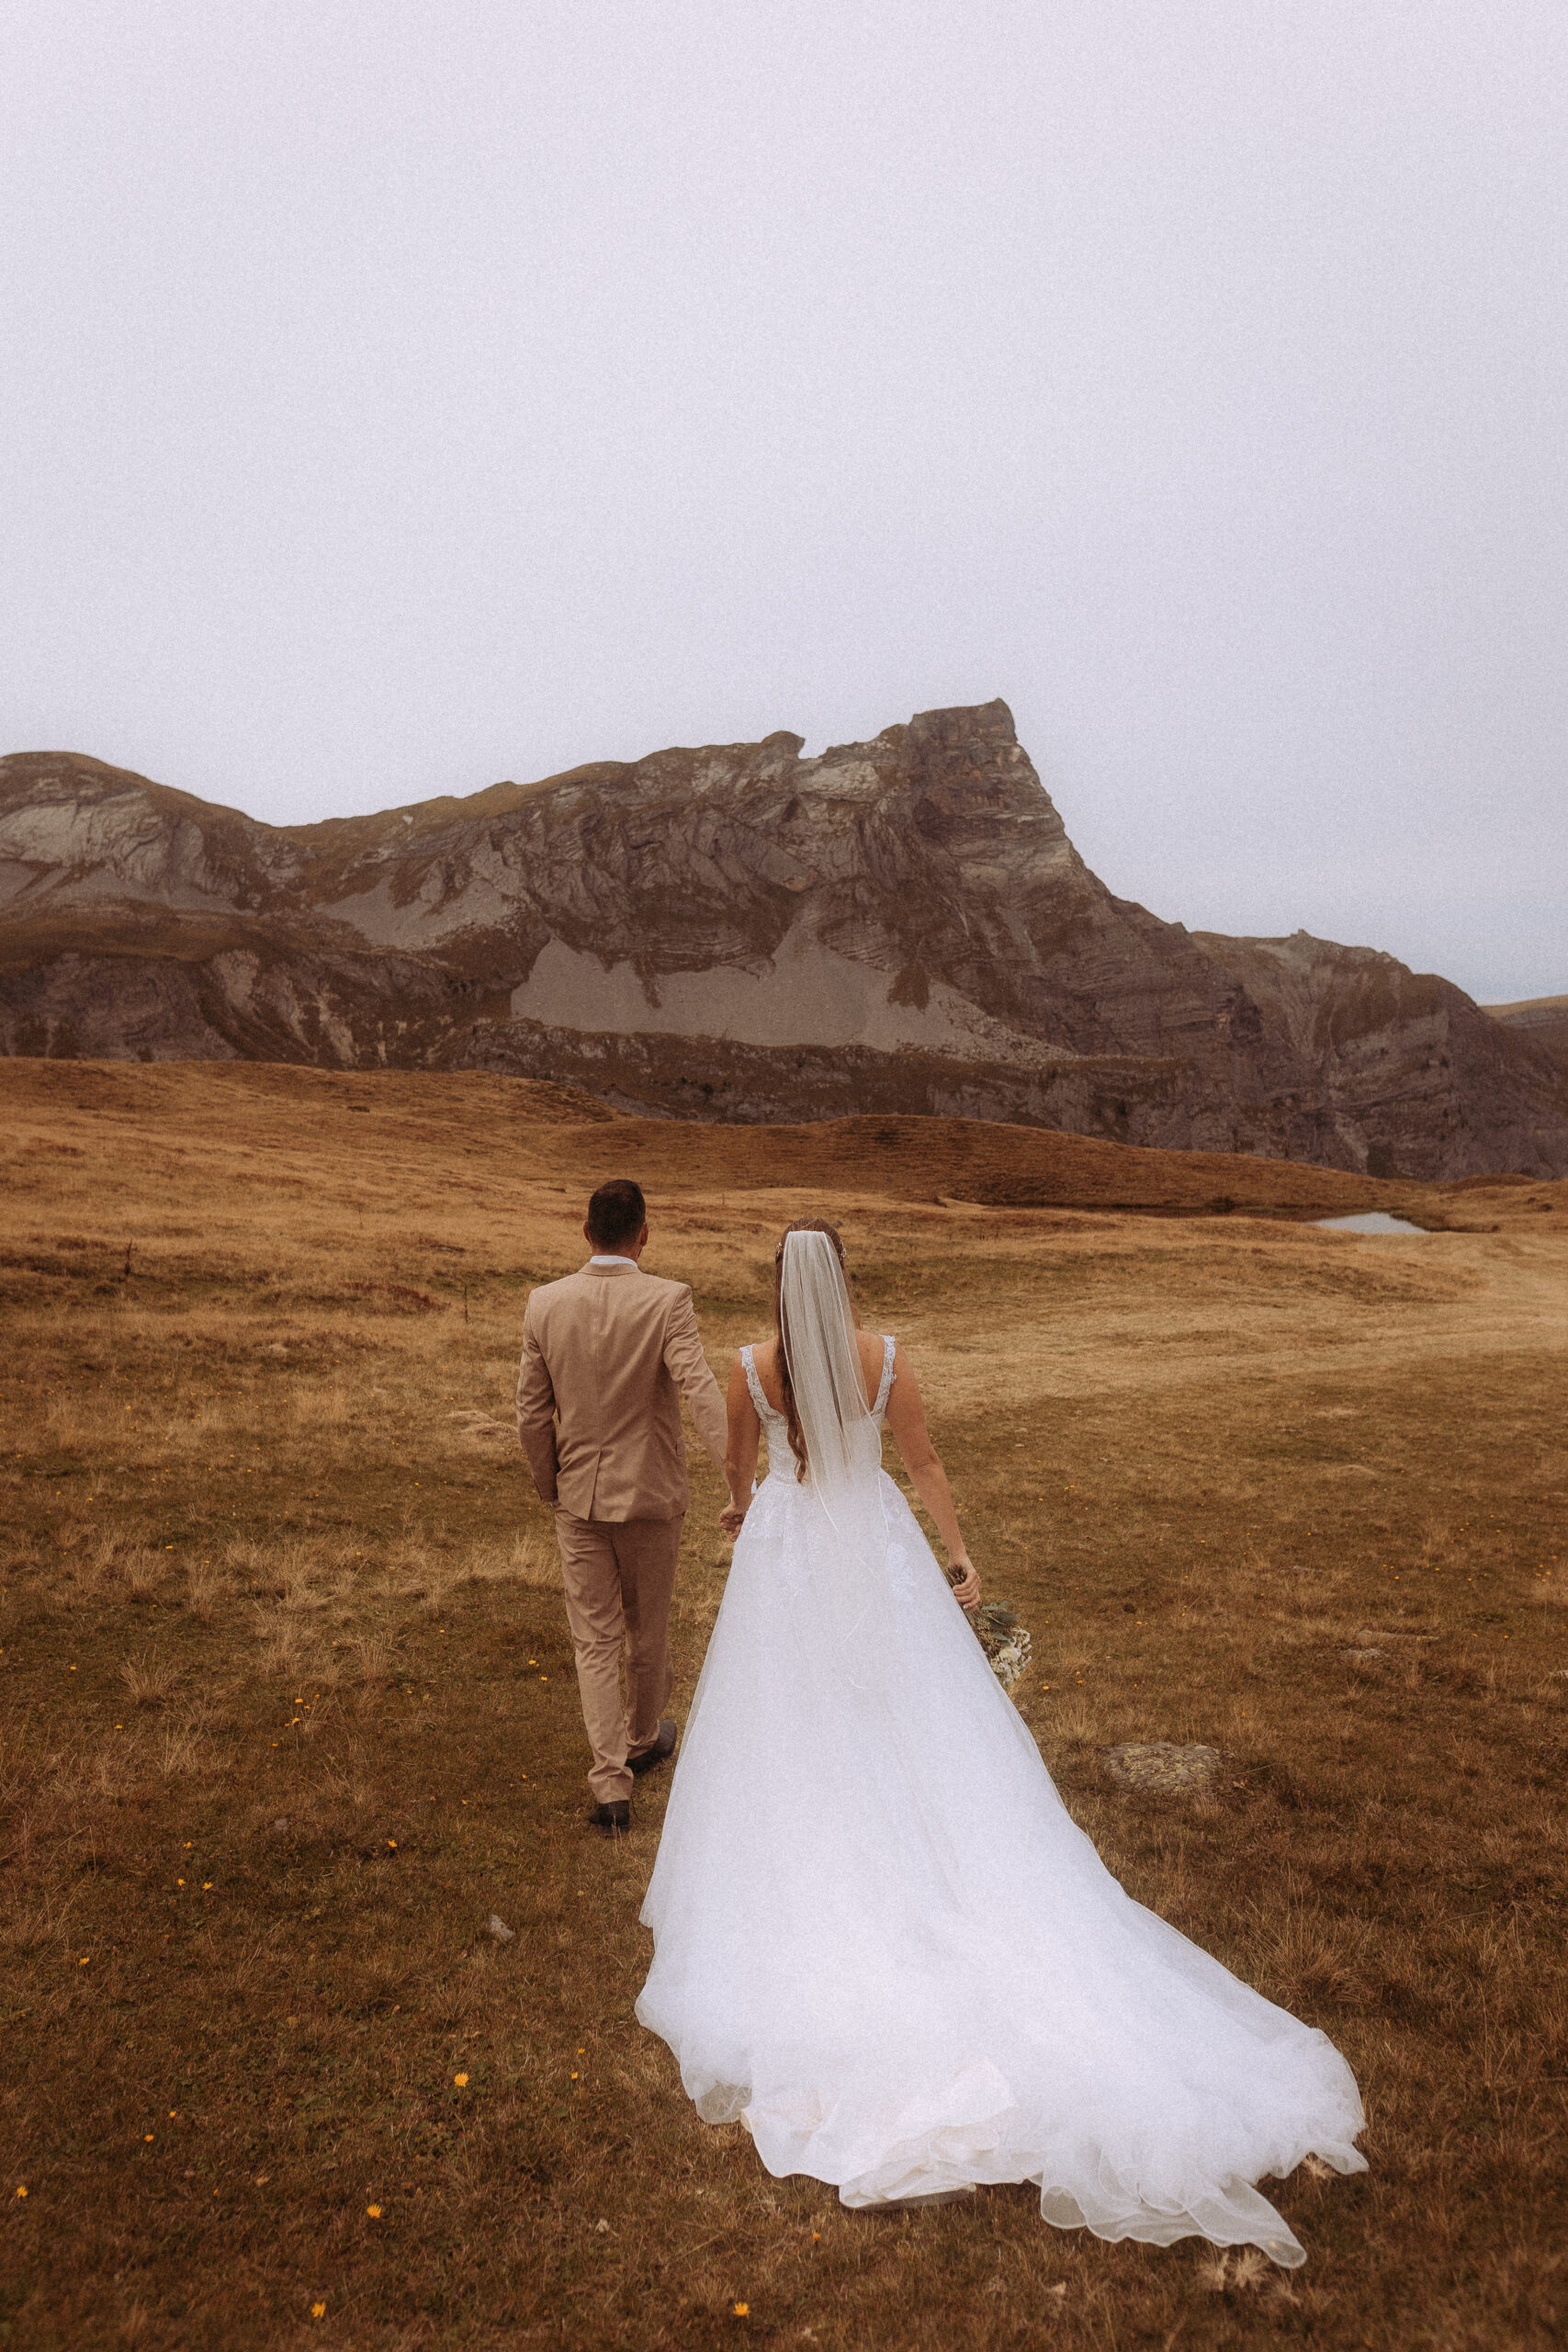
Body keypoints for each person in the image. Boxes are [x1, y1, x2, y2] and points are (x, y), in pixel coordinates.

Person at [637, 1219, 1366, 2265]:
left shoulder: (752, 1368)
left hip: (792, 1557)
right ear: (845, 1277)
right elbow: (922, 1459)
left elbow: (741, 1485)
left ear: (776, 1286)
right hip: (875, 1543)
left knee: (794, 1723)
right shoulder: (884, 1358)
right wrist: (961, 1557)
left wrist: (741, 1509)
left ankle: (824, 1859)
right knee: (910, 1714)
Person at [516, 1177, 728, 1836]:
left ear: (586, 1232)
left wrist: (550, 1484)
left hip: (578, 1496)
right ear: (644, 1233)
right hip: (653, 1496)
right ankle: (640, 1739)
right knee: (649, 1629)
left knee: (594, 1639)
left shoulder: (543, 1304)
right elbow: (699, 1391)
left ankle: (611, 1786)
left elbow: (529, 1413)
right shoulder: (667, 1300)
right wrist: (741, 1481)